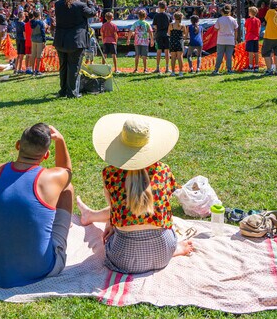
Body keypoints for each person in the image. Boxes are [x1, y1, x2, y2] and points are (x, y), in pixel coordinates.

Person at [76, 114, 194, 275]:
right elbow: (164, 206)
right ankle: (175, 249)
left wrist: (111, 224)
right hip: (163, 253)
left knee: (124, 214)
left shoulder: (110, 174)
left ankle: (90, 215)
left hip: (123, 258)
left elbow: (115, 206)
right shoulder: (164, 171)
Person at [0, 123, 74, 288]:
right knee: (67, 187)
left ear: (18, 145)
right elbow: (66, 171)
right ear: (46, 155)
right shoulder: (49, 179)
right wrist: (60, 140)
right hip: (42, 269)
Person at [53, 0, 97, 98]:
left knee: (63, 67)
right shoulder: (81, 5)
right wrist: (89, 1)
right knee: (74, 67)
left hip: (61, 40)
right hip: (76, 41)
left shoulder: (58, 5)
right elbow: (92, 13)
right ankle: (72, 92)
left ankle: (63, 91)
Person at [212, 4, 238, 75]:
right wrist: (235, 39)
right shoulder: (233, 19)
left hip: (221, 39)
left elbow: (215, 29)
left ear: (222, 11)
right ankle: (229, 69)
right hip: (230, 39)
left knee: (219, 55)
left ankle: (216, 70)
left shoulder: (220, 19)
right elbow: (236, 30)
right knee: (229, 55)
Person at [127, 9, 153, 73]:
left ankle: (136, 69)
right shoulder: (147, 23)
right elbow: (150, 32)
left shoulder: (136, 23)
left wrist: (128, 39)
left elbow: (130, 31)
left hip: (137, 41)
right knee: (144, 56)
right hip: (145, 42)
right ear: (145, 16)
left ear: (138, 16)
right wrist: (152, 40)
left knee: (137, 55)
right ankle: (145, 69)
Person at [152, 1, 171, 74]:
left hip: (159, 34)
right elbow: (170, 25)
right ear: (165, 7)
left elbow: (155, 26)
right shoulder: (168, 15)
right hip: (166, 34)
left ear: (159, 7)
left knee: (159, 50)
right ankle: (167, 67)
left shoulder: (156, 16)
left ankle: (157, 67)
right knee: (167, 51)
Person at [168, 12, 186, 77]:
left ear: (174, 17)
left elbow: (169, 33)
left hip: (172, 41)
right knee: (180, 57)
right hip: (180, 42)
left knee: (173, 57)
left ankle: (173, 72)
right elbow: (184, 34)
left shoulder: (171, 25)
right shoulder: (183, 26)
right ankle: (181, 72)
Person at [244, 6, 261, 72]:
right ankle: (256, 65)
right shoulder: (258, 20)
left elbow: (246, 28)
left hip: (250, 37)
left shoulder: (248, 20)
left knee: (250, 52)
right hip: (256, 37)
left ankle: (250, 65)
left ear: (251, 12)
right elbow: (259, 29)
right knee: (256, 52)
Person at [29, 10, 47, 76]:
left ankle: (33, 70)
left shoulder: (31, 22)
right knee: (39, 56)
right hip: (39, 40)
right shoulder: (40, 23)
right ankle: (37, 70)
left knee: (33, 55)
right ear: (39, 15)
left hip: (33, 39)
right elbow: (43, 33)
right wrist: (44, 41)